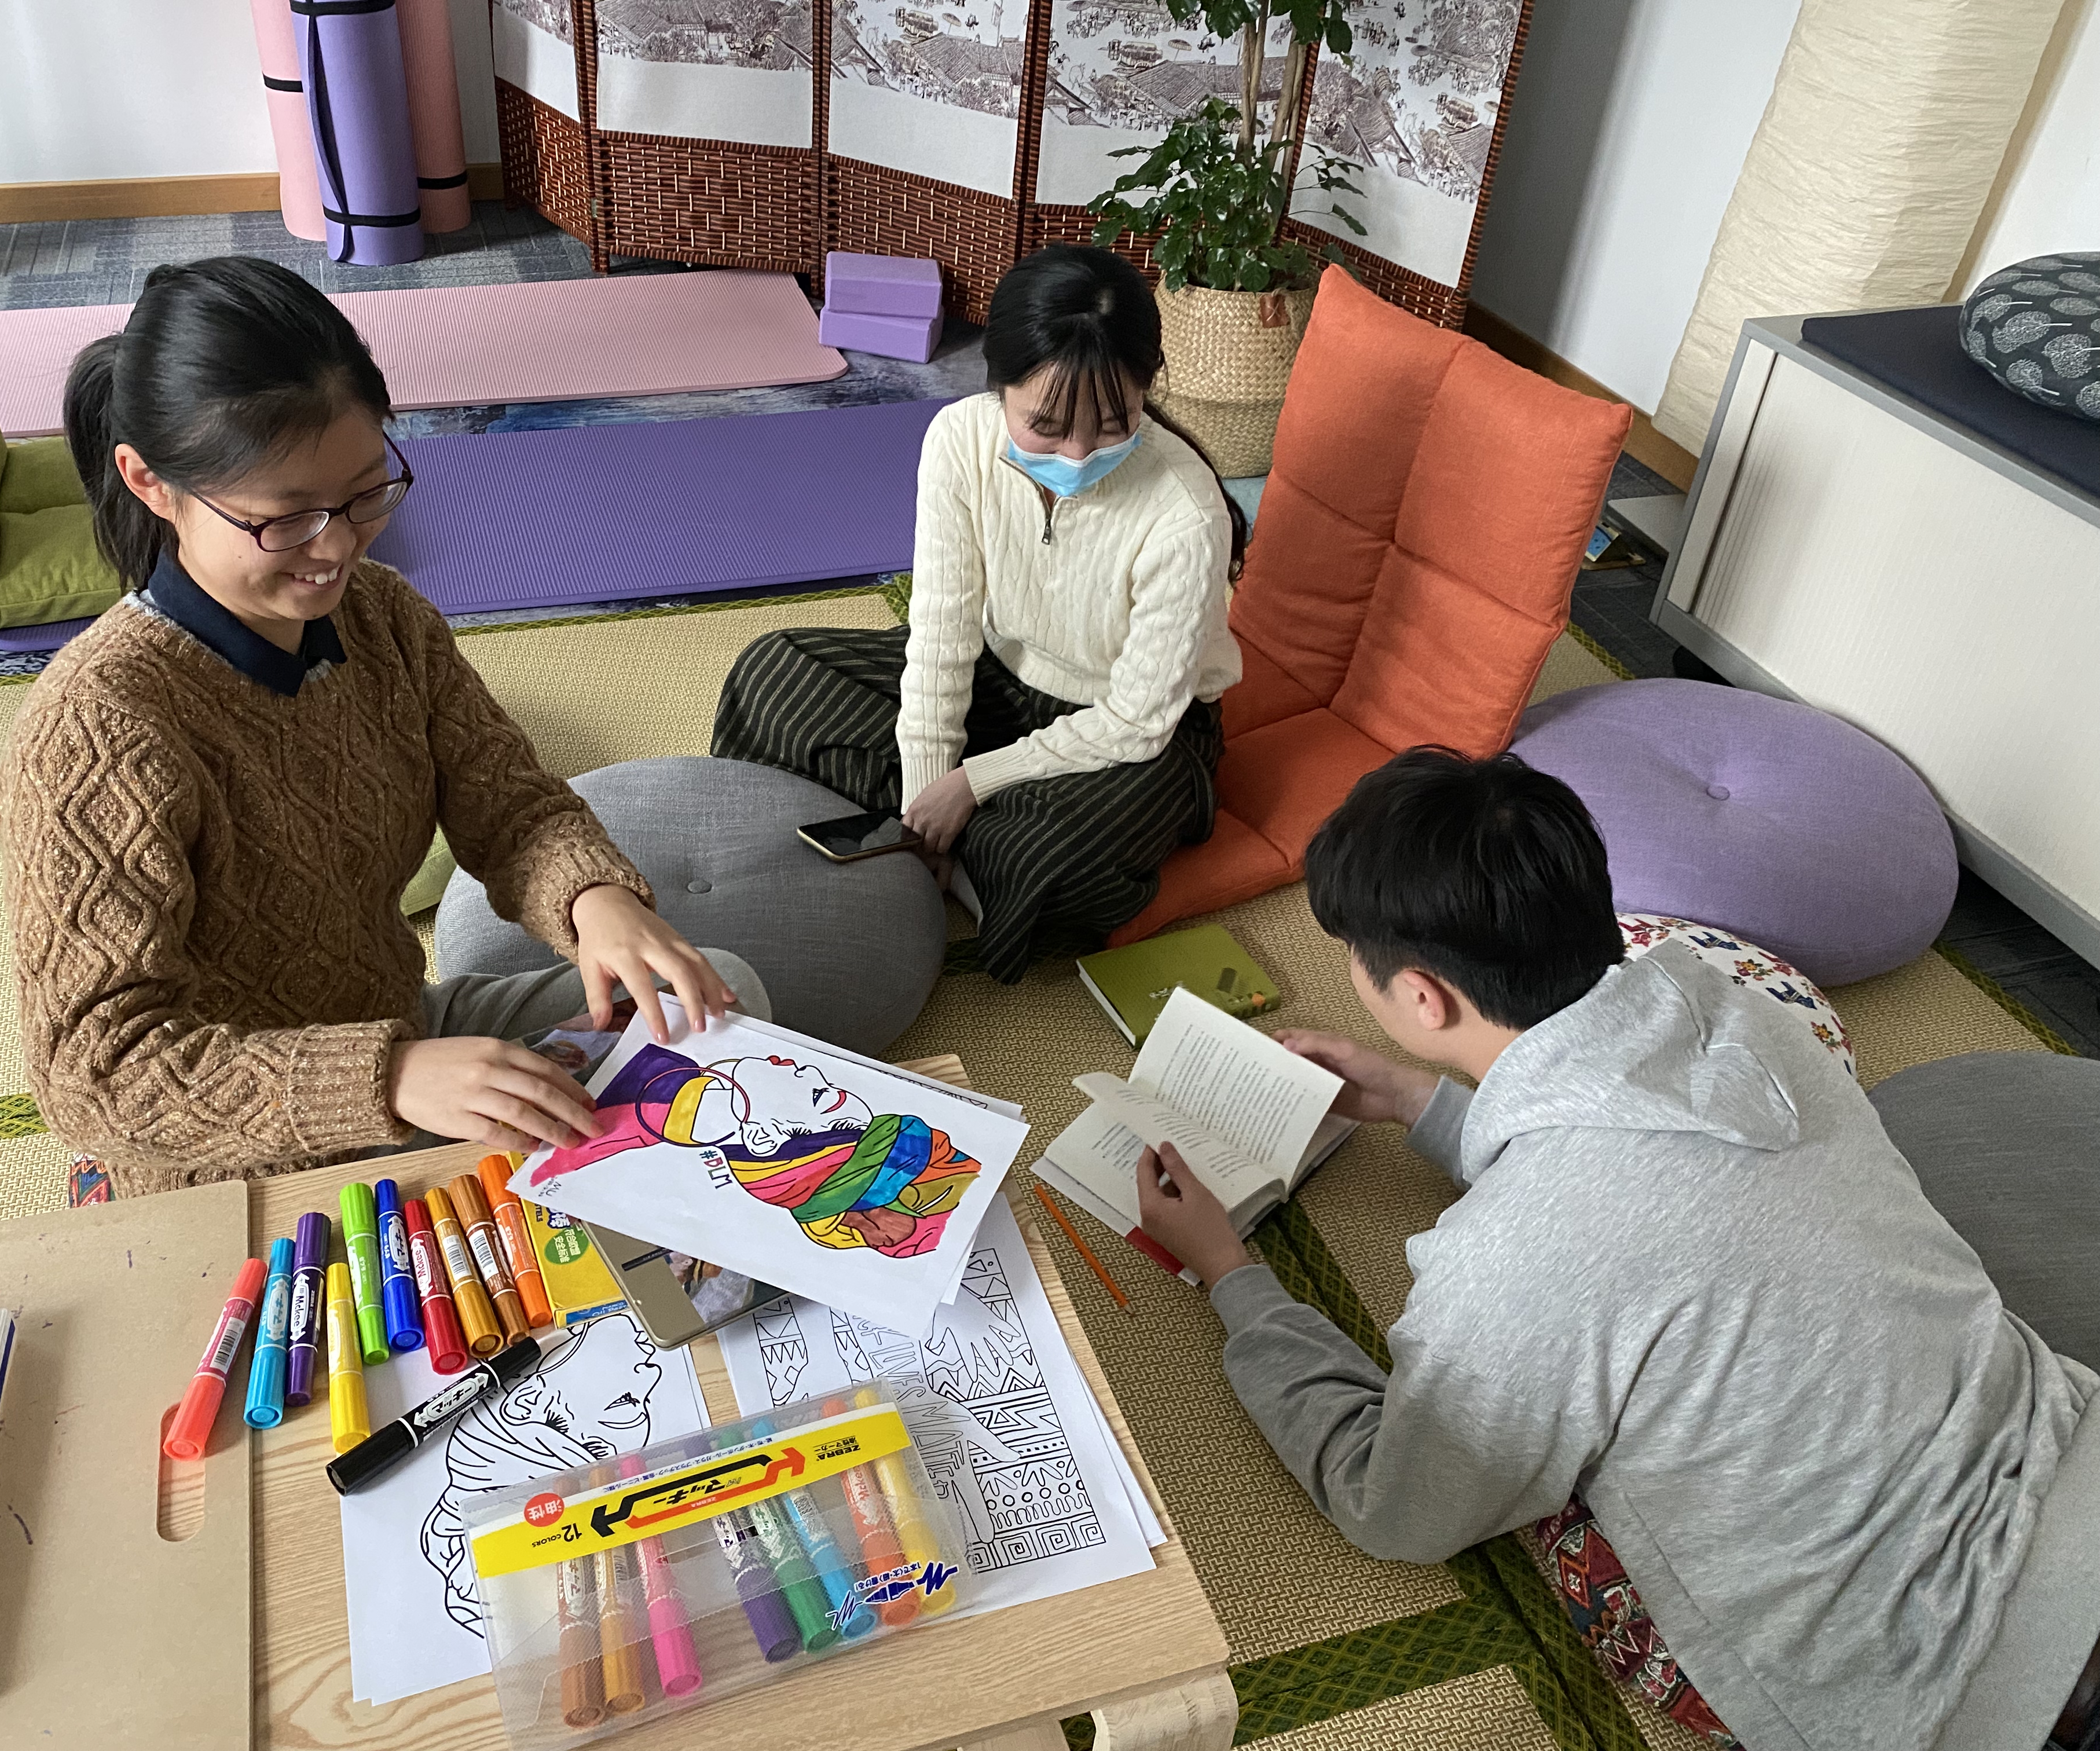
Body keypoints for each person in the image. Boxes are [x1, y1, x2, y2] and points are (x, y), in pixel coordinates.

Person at [1133, 748, 2100, 1751]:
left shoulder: (1503, 1260)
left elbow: (1398, 1507)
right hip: (2071, 1477)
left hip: (1920, 1691)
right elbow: (1640, 1156)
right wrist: (1415, 1101)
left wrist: (1233, 1275)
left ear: (1422, 997)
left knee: (1536, 1474)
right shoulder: (1751, 1017)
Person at [0, 255, 764, 1197]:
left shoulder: (385, 616)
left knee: (714, 1002)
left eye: (364, 493)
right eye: (286, 519)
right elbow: (98, 1076)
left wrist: (592, 900)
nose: (337, 547)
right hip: (236, 1161)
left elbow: (511, 806)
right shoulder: (94, 733)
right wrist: (387, 1078)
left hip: (403, 1035)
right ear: (151, 483)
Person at [710, 244, 1242, 982]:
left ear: (1147, 389)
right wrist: (927, 793)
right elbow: (940, 634)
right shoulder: (960, 439)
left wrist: (968, 786)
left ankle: (959, 845)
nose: (1080, 454)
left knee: (1053, 861)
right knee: (774, 675)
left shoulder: (1186, 514)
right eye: (1048, 425)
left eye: (1114, 425)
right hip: (998, 679)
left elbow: (1139, 720)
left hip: (1133, 735)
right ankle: (955, 853)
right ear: (998, 383)